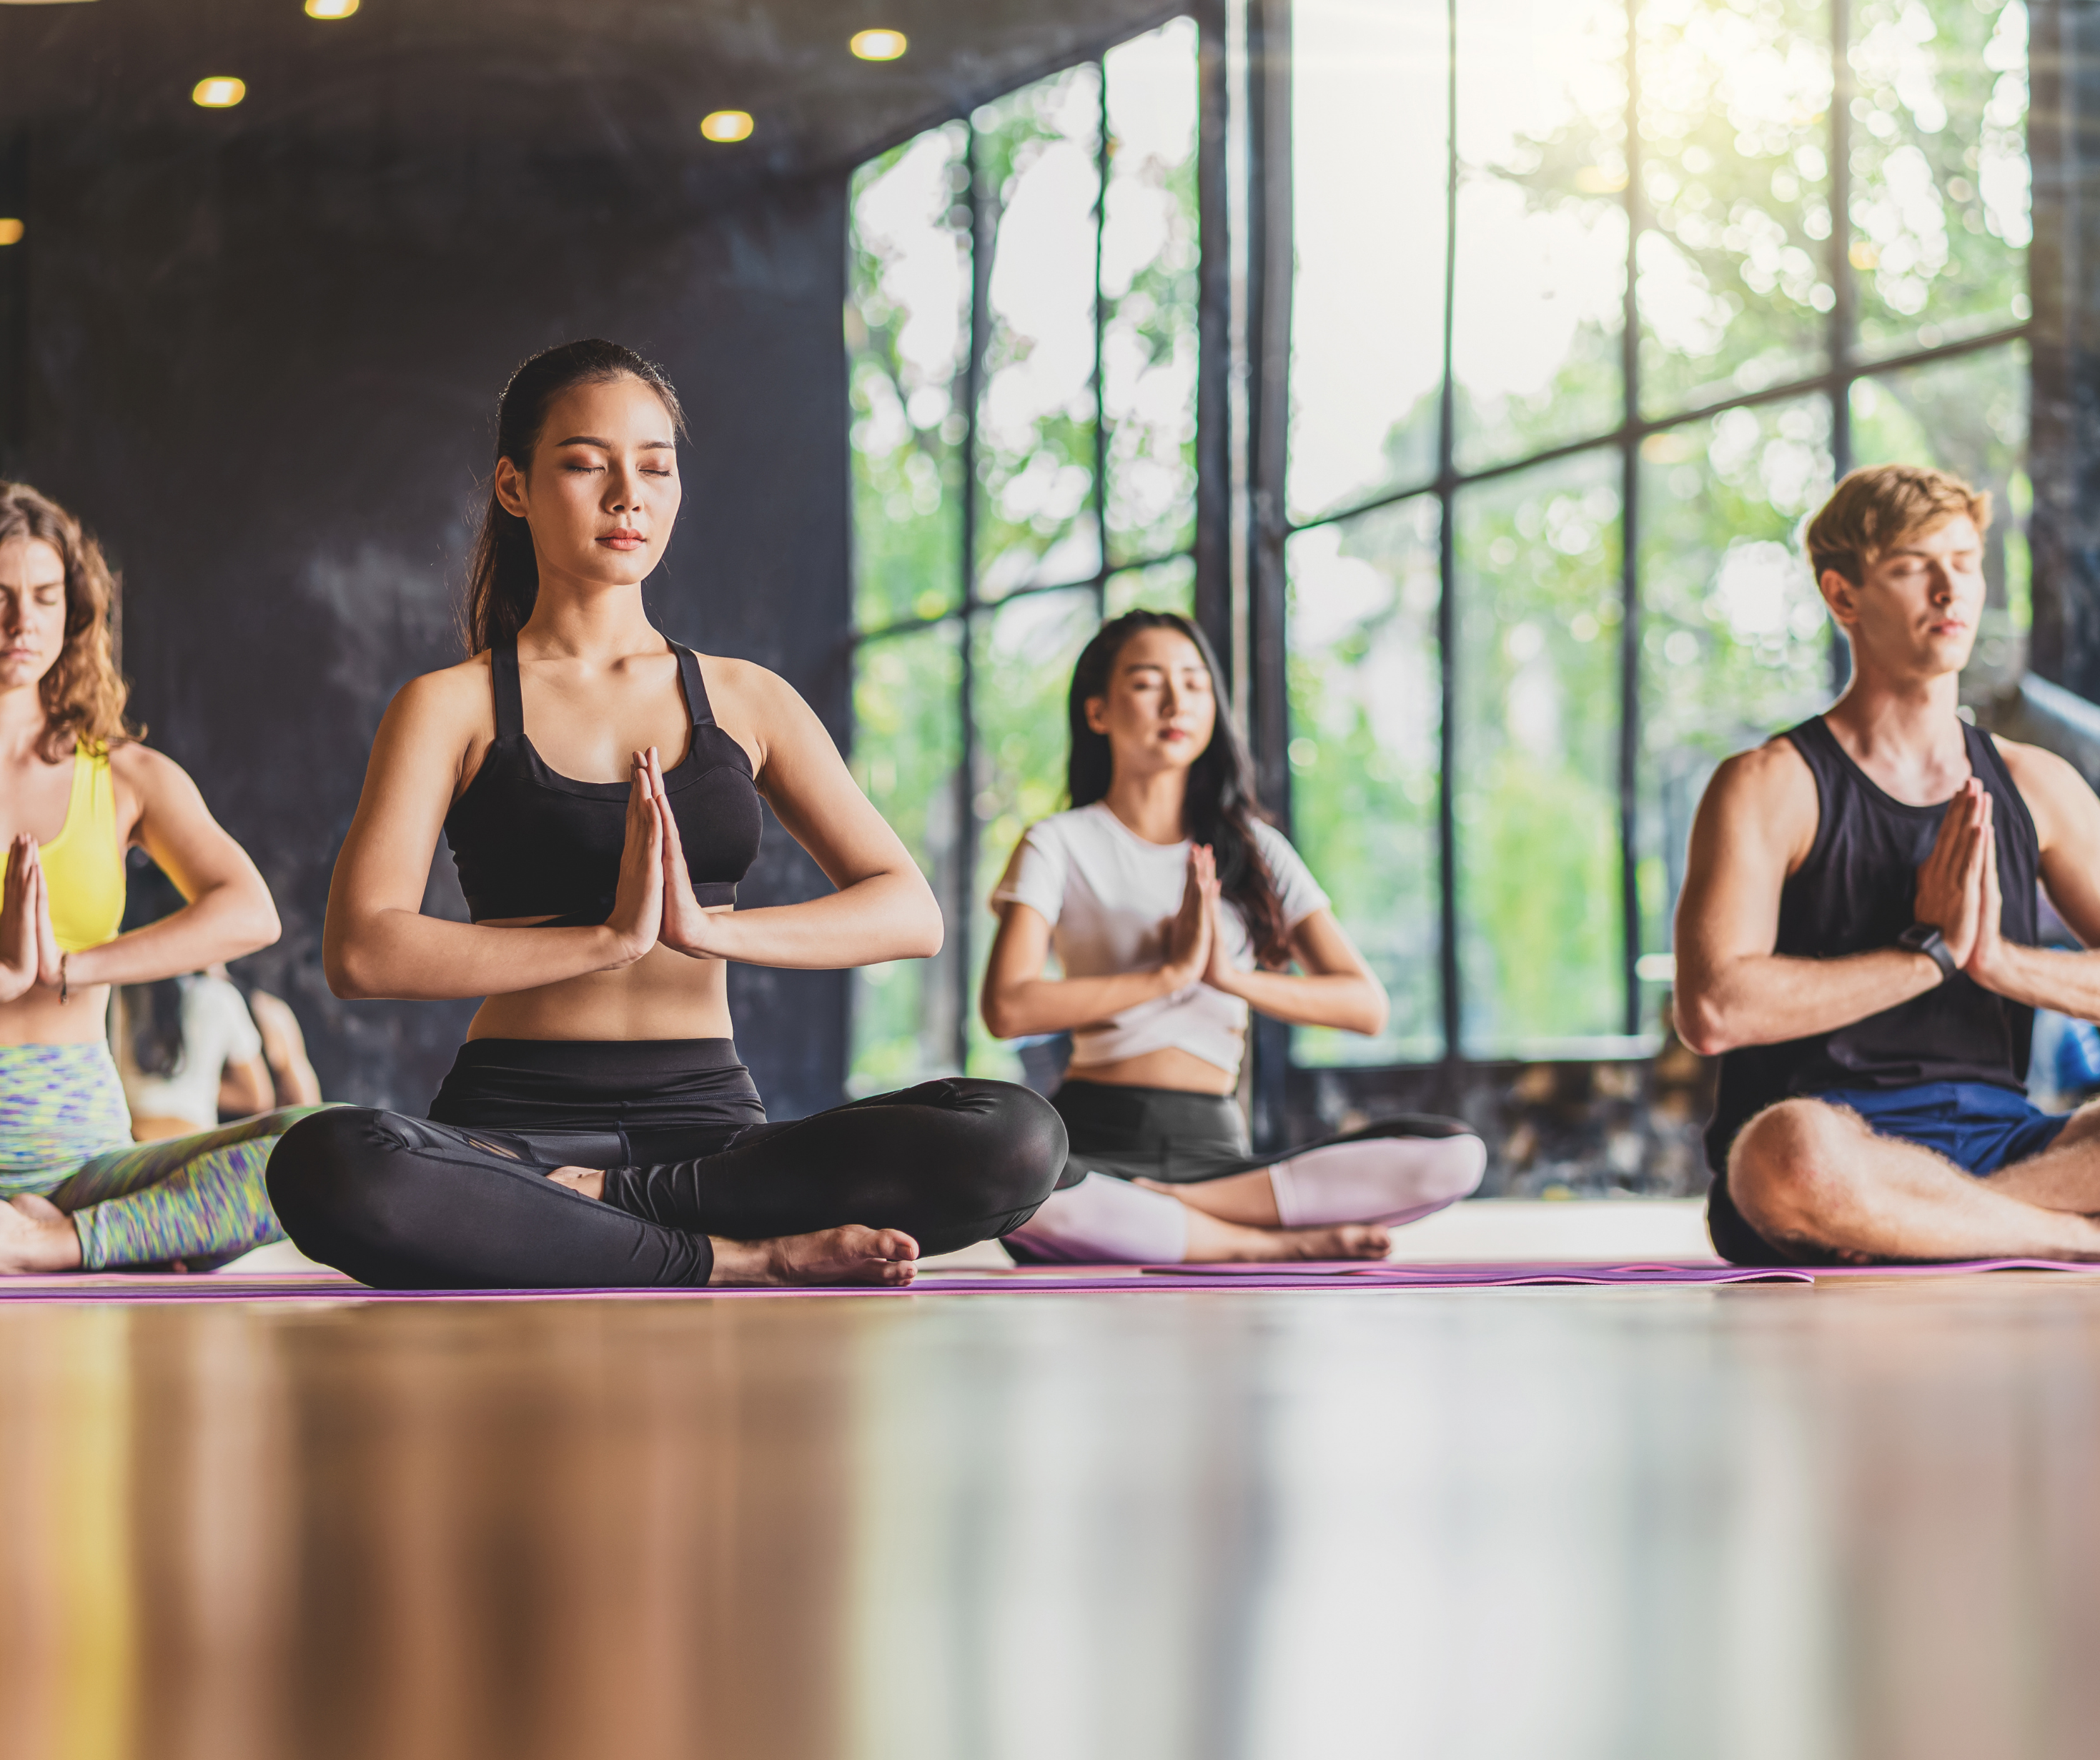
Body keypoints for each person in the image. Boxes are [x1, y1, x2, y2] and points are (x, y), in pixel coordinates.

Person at [265, 339, 1064, 1290]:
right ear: (514, 487)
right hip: (512, 1126)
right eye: (584, 463)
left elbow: (908, 910)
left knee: (1014, 1138)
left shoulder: (745, 698)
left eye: (653, 465)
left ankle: (612, 1209)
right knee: (328, 1162)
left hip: (709, 1139)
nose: (626, 495)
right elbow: (364, 950)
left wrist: (705, 929)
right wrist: (604, 940)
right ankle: (727, 1256)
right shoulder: (451, 706)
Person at [1675, 464, 2100, 1264]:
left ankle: (1914, 1227)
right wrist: (1929, 958)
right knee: (1787, 1155)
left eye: (1965, 563)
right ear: (1843, 597)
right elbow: (1713, 1010)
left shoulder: (2037, 784)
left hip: (2006, 1140)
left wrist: (2001, 962)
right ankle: (2069, 1237)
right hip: (1831, 1142)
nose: (1950, 590)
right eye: (1913, 567)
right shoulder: (1770, 785)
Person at [980, 610, 1485, 1264]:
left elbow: (1365, 1005)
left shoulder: (1256, 848)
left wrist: (1228, 977)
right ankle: (1255, 1243)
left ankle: (1177, 1214)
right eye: (1146, 682)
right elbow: (1007, 1007)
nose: (1175, 701)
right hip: (1092, 1142)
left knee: (1455, 1156)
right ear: (1098, 712)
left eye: (1194, 683)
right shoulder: (1059, 842)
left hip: (1220, 1155)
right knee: (1012, 1181)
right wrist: (1166, 976)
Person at [0, 481, 309, 1273]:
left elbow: (249, 913)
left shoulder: (127, 776)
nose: (21, 622)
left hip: (85, 1168)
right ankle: (103, 1245)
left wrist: (73, 968)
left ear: (74, 612)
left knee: (317, 1146)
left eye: (43, 596)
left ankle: (54, 1244)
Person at [117, 857, 275, 1139]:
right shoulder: (220, 997)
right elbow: (257, 1097)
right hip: (193, 1145)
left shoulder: (115, 993)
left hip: (131, 1143)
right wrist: (199, 1083)